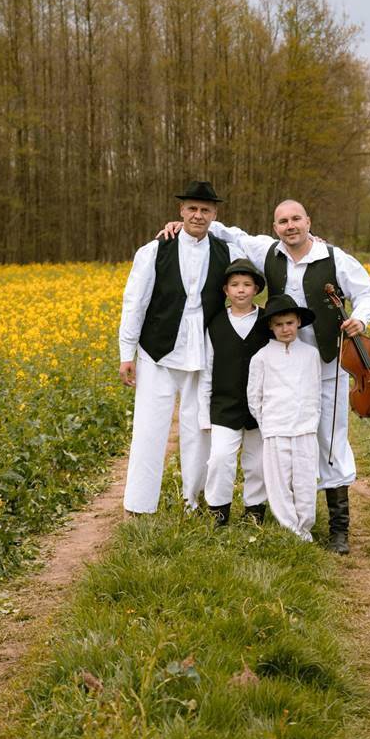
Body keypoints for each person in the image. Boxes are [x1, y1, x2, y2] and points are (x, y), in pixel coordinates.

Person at [160, 199, 370, 552]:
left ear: (308, 221)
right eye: (283, 221)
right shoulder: (266, 251)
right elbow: (230, 231)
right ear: (275, 226)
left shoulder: (335, 258)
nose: (290, 226)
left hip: (325, 365)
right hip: (279, 369)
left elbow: (369, 293)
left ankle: (339, 529)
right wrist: (185, 224)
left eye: (296, 219)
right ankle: (281, 511)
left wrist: (362, 318)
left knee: (329, 442)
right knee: (276, 443)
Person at [118, 181, 242, 514]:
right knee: (148, 428)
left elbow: (266, 252)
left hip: (202, 352)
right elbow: (135, 302)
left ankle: (192, 500)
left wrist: (312, 240)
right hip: (156, 351)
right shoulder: (154, 250)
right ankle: (139, 504)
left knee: (198, 430)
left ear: (215, 215)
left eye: (205, 210)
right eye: (192, 209)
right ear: (180, 211)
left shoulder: (227, 251)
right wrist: (126, 354)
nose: (198, 215)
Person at [198, 258, 269, 526]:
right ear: (226, 290)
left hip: (259, 408)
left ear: (256, 289)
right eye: (235, 285)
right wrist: (205, 414)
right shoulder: (215, 324)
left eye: (247, 285)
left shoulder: (266, 322)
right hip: (224, 406)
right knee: (219, 458)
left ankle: (255, 509)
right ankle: (218, 510)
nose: (241, 290)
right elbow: (207, 370)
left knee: (258, 462)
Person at [247, 294, 322, 542]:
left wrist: (310, 421)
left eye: (289, 323)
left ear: (298, 322)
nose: (285, 329)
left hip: (304, 428)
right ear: (270, 327)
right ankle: (290, 529)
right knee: (278, 483)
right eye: (278, 324)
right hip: (275, 428)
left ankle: (305, 525)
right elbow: (254, 397)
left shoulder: (310, 355)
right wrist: (268, 424)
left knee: (305, 481)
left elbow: (315, 392)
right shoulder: (261, 357)